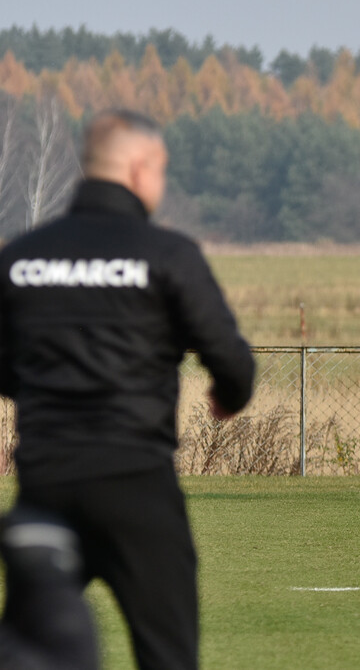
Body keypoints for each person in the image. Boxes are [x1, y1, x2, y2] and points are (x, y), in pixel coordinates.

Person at [0, 109, 256, 670]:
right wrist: (227, 396)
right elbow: (234, 364)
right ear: (141, 168)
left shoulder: (20, 258)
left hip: (45, 485)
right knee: (167, 656)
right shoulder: (167, 255)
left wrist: (50, 389)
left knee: (27, 655)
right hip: (137, 486)